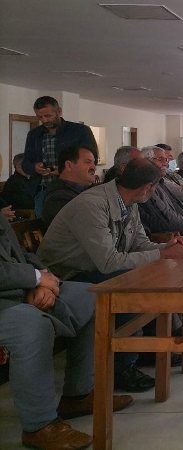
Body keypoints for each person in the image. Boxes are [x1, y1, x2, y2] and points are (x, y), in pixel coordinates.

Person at [0, 151, 132, 450]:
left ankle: (78, 394)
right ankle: (39, 425)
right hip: (7, 298)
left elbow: (21, 254)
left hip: (19, 286)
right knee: (31, 326)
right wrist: (34, 279)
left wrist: (44, 276)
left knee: (94, 297)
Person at [38, 158, 183, 393]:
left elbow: (139, 244)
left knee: (152, 273)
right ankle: (123, 366)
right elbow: (109, 263)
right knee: (133, 284)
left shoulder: (128, 201)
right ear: (148, 187)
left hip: (93, 269)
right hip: (65, 276)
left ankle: (147, 348)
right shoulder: (92, 205)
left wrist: (167, 247)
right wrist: (162, 255)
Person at [22, 96, 97, 217]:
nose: (44, 120)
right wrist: (35, 167)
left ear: (59, 111)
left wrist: (62, 170)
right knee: (47, 225)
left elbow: (92, 159)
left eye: (48, 115)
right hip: (43, 190)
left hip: (74, 189)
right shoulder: (34, 135)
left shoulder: (79, 131)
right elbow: (25, 164)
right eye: (40, 117)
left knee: (77, 223)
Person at [41, 145, 97, 229]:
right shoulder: (58, 199)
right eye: (88, 162)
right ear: (69, 166)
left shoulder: (89, 192)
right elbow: (90, 228)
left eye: (93, 163)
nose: (94, 168)